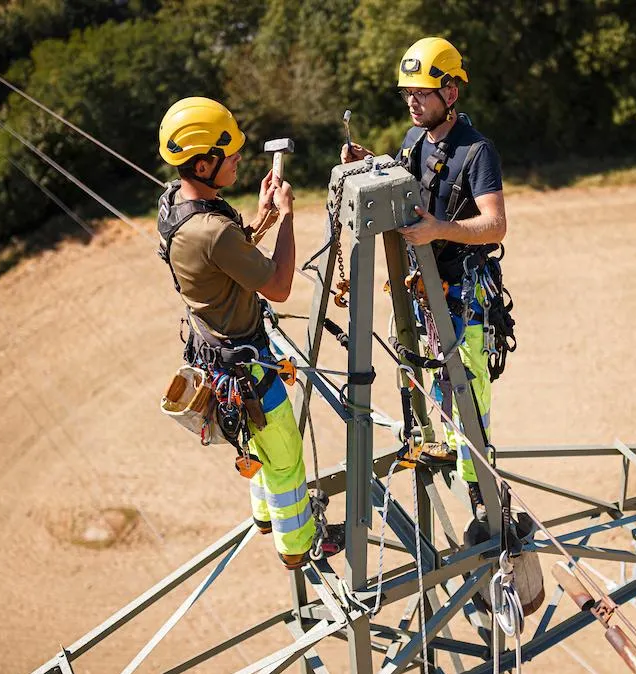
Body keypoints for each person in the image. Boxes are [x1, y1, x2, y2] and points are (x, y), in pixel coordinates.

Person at [156, 96, 342, 569]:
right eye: (230, 152)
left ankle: (262, 517)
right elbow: (278, 286)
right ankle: (298, 544)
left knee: (254, 443)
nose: (239, 157)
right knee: (284, 456)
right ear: (203, 162)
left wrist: (263, 218)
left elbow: (228, 258)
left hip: (214, 356)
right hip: (245, 363)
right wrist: (290, 216)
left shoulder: (175, 206)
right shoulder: (213, 230)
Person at [342, 37, 511, 519]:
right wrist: (369, 161)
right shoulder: (415, 139)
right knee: (433, 374)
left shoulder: (477, 152)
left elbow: (496, 225)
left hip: (462, 290)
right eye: (407, 93)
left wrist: (441, 229)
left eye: (423, 92)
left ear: (451, 93)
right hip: (425, 286)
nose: (413, 101)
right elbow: (405, 184)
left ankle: (480, 487)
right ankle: (442, 446)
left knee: (469, 387)